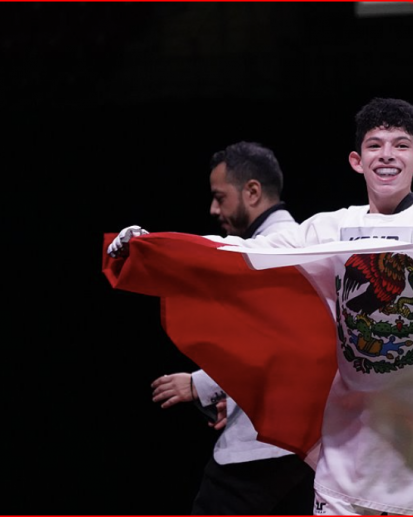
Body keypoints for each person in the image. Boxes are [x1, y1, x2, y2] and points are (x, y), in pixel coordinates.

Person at [108, 98, 413, 515]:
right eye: (375, 146)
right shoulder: (329, 229)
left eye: (401, 146)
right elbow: (242, 256)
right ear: (356, 160)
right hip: (349, 453)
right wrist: (156, 246)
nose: (387, 156)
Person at [146, 142, 315, 515]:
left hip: (267, 448)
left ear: (252, 191)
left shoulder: (275, 249)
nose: (213, 209)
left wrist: (200, 383)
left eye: (220, 197)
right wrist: (238, 394)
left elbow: (279, 341)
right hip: (298, 447)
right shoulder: (284, 242)